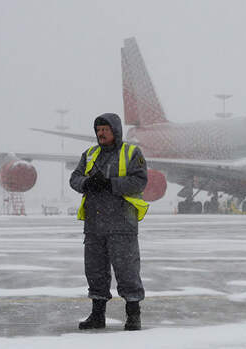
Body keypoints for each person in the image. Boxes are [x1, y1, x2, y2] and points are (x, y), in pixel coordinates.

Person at [69, 113, 149, 331]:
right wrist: (87, 183)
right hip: (94, 224)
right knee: (94, 271)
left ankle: (133, 315)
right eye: (98, 130)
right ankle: (97, 315)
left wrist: (110, 184)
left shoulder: (132, 152)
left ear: (115, 130)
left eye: (105, 129)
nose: (101, 133)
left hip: (122, 223)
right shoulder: (89, 154)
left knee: (127, 270)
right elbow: (74, 178)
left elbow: (140, 180)